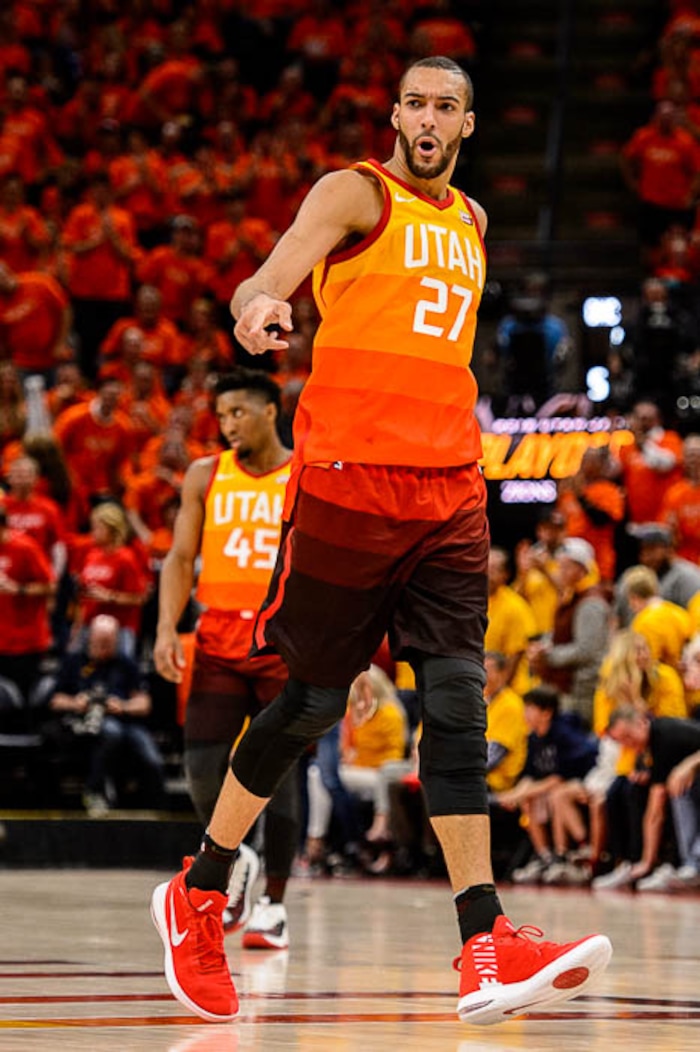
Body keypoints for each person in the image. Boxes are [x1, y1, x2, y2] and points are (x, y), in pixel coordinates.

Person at [149, 56, 612, 1027]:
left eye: (447, 106)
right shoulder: (356, 193)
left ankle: (483, 942)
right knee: (310, 700)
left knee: (456, 701)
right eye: (415, 103)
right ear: (395, 115)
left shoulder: (474, 222)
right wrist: (258, 307)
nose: (429, 118)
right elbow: (267, 273)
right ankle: (199, 887)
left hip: (448, 487)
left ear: (469, 125)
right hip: (348, 485)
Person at [153, 368, 299, 951]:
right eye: (222, 415)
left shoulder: (302, 474)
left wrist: (351, 657)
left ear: (270, 410)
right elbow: (180, 556)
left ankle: (275, 907)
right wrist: (168, 626)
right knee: (201, 768)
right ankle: (235, 855)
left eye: (240, 412)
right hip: (215, 635)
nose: (229, 424)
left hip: (283, 640)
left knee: (282, 773)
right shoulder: (205, 474)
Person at [47, 614, 165, 815]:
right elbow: (55, 700)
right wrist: (76, 703)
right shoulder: (74, 661)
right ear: (90, 638)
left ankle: (157, 812)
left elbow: (144, 703)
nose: (103, 649)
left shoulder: (125, 663)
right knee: (111, 733)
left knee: (152, 759)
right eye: (99, 643)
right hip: (84, 721)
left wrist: (123, 706)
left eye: (108, 644)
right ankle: (94, 790)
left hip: (125, 720)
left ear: (117, 641)